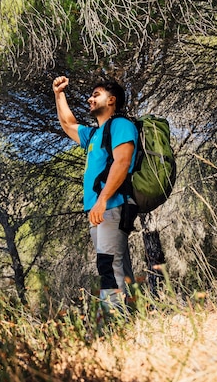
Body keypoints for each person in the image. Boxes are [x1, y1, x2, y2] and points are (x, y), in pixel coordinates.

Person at [53, 75, 138, 315]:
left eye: (96, 95)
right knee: (116, 264)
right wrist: (59, 94)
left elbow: (122, 163)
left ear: (111, 100)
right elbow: (68, 124)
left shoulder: (121, 125)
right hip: (99, 210)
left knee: (108, 266)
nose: (90, 99)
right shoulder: (94, 135)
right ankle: (135, 320)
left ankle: (116, 324)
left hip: (112, 206)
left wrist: (102, 201)